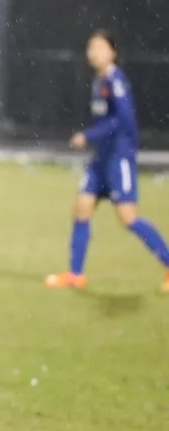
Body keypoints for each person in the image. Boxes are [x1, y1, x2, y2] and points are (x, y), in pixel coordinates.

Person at [45, 30, 169, 291]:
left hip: (118, 160)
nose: (94, 53)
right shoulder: (99, 80)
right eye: (91, 48)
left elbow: (123, 119)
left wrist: (88, 136)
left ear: (113, 52)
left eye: (100, 48)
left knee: (128, 218)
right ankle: (75, 275)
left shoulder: (115, 80)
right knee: (82, 207)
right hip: (101, 160)